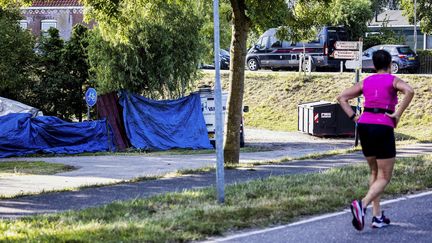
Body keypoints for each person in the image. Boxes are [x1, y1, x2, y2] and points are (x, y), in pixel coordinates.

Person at [337, 49, 414, 231]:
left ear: (373, 65)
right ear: (389, 64)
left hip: (364, 125)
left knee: (374, 172)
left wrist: (354, 118)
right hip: (383, 125)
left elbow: (342, 98)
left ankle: (377, 216)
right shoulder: (392, 79)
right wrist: (397, 114)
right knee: (385, 176)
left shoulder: (367, 81)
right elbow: (409, 91)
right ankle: (362, 206)